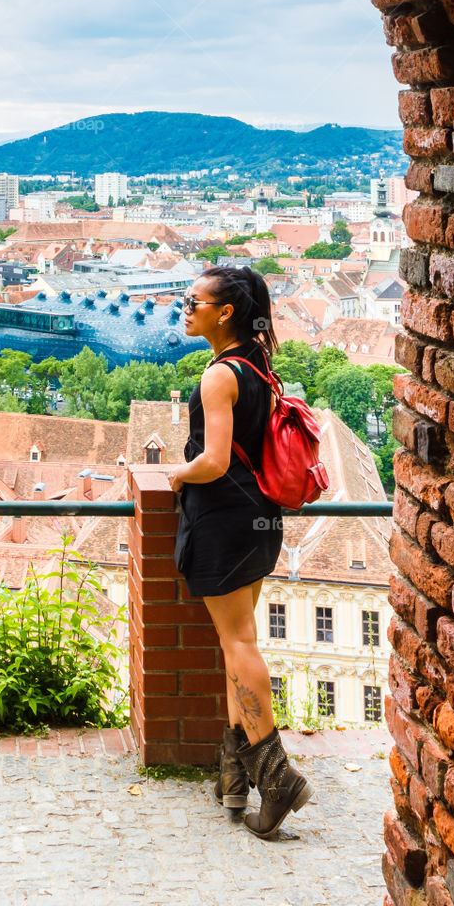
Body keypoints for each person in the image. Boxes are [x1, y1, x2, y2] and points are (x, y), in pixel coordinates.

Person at [168, 264, 314, 838]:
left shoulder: (218, 376)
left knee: (239, 644)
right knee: (239, 646)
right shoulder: (259, 363)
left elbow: (215, 460)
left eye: (193, 300)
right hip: (260, 521)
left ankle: (277, 779)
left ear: (223, 312)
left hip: (224, 522)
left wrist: (178, 477)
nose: (185, 307)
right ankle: (234, 775)